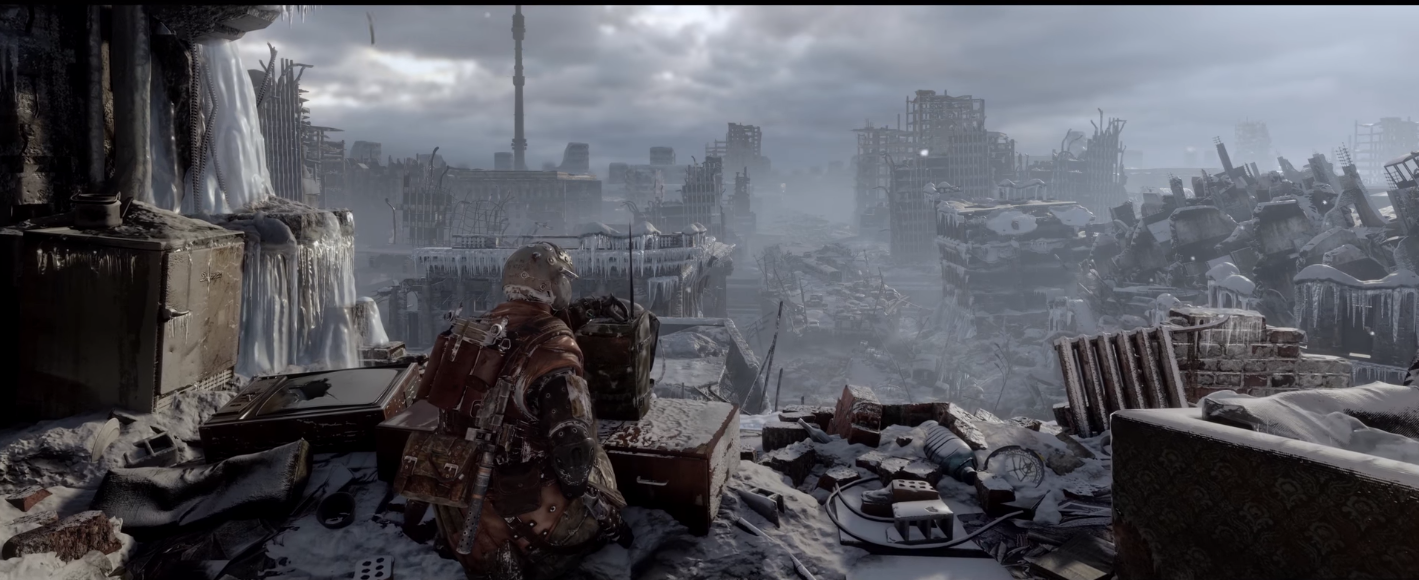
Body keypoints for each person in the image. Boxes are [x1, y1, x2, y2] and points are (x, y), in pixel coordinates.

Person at [421, 241, 631, 580]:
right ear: (548, 285)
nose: (567, 286)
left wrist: (587, 309)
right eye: (563, 279)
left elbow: (529, 331)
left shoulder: (480, 329)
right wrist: (581, 492)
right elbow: (574, 454)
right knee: (594, 456)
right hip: (531, 531)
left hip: (462, 519)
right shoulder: (557, 349)